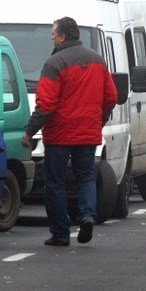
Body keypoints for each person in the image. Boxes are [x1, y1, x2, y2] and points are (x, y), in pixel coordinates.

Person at [21, 17, 118, 246]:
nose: (51, 38)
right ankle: (86, 215)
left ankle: (60, 233)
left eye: (53, 34)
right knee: (86, 177)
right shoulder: (98, 61)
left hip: (59, 135)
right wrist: (99, 120)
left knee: (55, 183)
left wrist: (29, 131)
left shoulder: (54, 63)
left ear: (63, 36)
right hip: (87, 133)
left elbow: (46, 104)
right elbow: (111, 97)